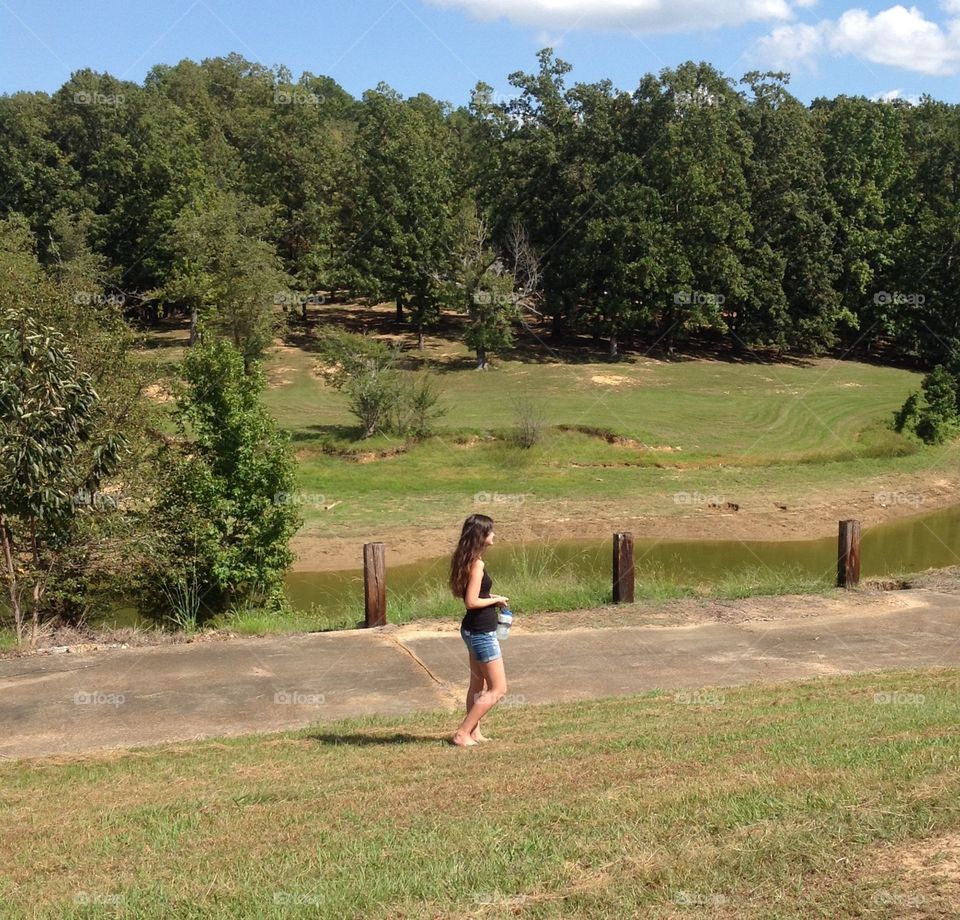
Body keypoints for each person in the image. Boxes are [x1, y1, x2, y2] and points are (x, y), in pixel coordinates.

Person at [448, 513, 510, 747]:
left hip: (472, 630)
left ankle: (474, 732)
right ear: (481, 535)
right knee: (499, 688)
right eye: (490, 531)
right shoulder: (478, 564)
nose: (494, 534)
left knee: (477, 685)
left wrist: (494, 598)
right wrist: (493, 602)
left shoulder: (467, 559)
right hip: (481, 633)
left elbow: (475, 595)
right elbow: (471, 602)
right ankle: (463, 733)